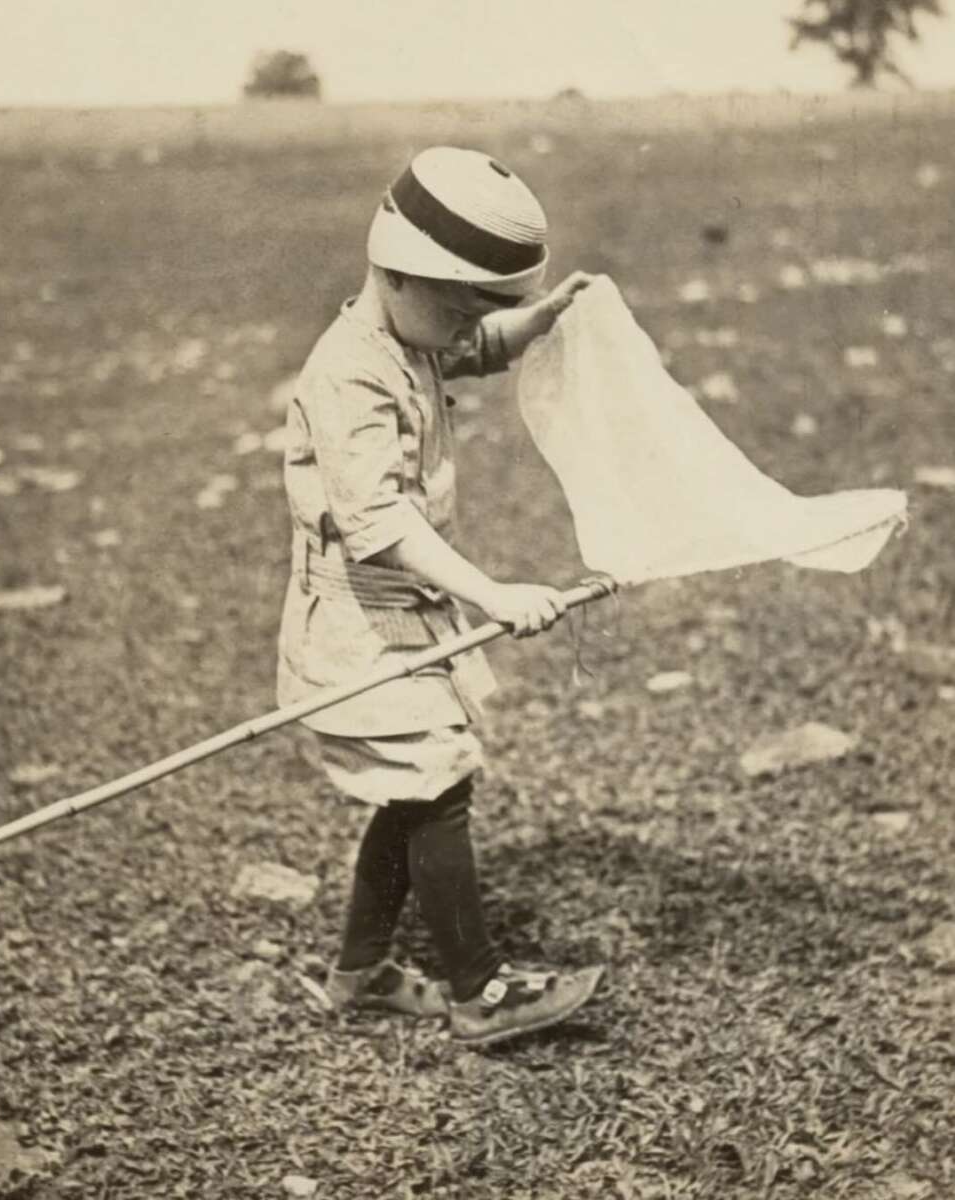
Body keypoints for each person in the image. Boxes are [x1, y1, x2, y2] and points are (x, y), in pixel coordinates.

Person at [277, 145, 603, 1046]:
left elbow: (470, 347)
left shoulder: (406, 331)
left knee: (414, 787)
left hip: (403, 612)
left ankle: (362, 975)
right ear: (395, 273)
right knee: (436, 783)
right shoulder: (349, 373)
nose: (468, 328)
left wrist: (533, 320)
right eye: (460, 305)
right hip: (356, 620)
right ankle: (476, 992)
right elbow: (377, 520)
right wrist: (491, 593)